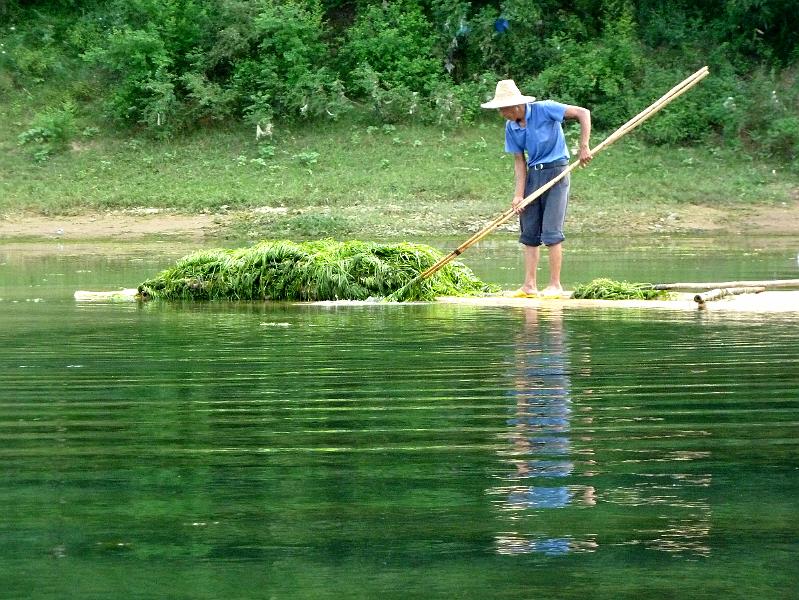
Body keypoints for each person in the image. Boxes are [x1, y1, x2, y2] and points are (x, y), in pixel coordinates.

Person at [481, 80, 593, 298]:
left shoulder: (545, 109)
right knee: (529, 231)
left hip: (557, 173)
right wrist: (518, 195)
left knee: (551, 231)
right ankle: (529, 285)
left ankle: (555, 285)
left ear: (516, 106)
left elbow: (583, 113)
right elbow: (519, 161)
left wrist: (584, 146)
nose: (501, 113)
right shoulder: (511, 127)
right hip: (534, 176)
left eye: (503, 109)